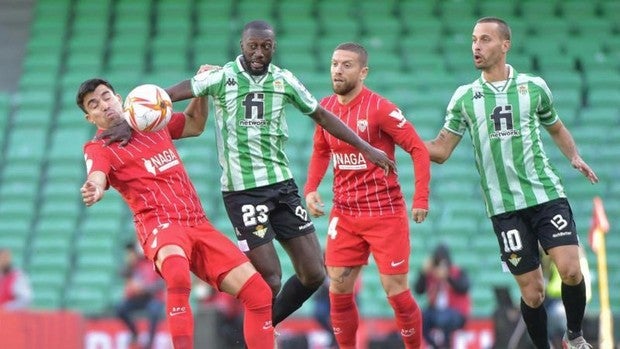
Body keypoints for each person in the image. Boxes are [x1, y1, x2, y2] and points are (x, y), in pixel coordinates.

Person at [157, 20, 396, 328]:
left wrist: (365, 147)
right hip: (243, 193)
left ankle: (261, 329)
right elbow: (170, 94)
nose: (259, 52)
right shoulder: (222, 77)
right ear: (242, 46)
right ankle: (253, 336)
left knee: (314, 273)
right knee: (270, 279)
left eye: (265, 46)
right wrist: (130, 114)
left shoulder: (284, 80)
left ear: (273, 48)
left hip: (282, 186)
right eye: (253, 45)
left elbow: (322, 115)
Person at [424, 17, 598, 349]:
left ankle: (574, 338)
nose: (476, 46)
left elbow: (556, 126)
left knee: (571, 270)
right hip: (504, 209)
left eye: (485, 39)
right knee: (533, 292)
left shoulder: (533, 88)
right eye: (474, 39)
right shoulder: (465, 98)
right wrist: (405, 140)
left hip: (546, 194)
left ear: (505, 45)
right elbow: (442, 149)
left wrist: (573, 155)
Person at [77, 78, 274, 349]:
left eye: (106, 96)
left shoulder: (151, 122)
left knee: (259, 293)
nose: (104, 105)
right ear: (90, 118)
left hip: (197, 222)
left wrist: (202, 88)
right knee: (178, 273)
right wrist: (94, 187)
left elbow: (194, 123)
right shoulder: (98, 147)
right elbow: (97, 174)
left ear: (119, 97)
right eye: (94, 104)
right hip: (159, 223)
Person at [304, 42, 430, 349]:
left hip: (385, 213)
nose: (338, 70)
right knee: (338, 288)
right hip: (345, 213)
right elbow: (321, 150)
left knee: (395, 291)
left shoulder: (381, 109)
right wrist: (310, 189)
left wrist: (421, 198)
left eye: (347, 65)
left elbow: (417, 149)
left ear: (363, 72)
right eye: (335, 63)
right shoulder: (325, 109)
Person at [414, 244, 471, 349]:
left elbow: (464, 287)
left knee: (443, 318)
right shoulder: (430, 274)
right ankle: (434, 345)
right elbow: (418, 290)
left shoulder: (457, 271)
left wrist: (447, 277)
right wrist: (423, 273)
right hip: (435, 311)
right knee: (418, 319)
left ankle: (445, 346)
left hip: (456, 312)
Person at [116, 243, 165, 349]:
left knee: (154, 311)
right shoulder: (135, 264)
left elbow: (161, 282)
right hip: (137, 298)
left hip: (153, 298)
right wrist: (129, 263)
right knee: (120, 308)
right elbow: (122, 273)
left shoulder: (155, 262)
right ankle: (134, 333)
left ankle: (150, 342)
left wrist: (145, 288)